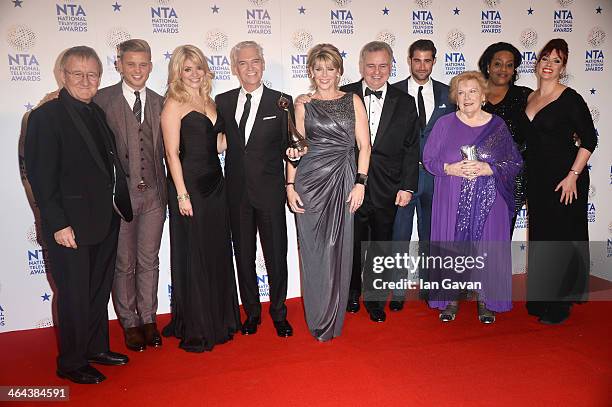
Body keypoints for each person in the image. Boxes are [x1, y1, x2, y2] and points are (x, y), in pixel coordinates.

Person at [25, 46, 133, 384]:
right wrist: (57, 224)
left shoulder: (96, 112)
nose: (86, 80)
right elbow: (40, 176)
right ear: (62, 75)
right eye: (78, 74)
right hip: (69, 226)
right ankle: (71, 362)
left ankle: (96, 347)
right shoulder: (46, 116)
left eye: (92, 74)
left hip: (104, 219)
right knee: (73, 294)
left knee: (98, 290)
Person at [422, 71, 522, 324]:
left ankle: (485, 300)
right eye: (462, 92)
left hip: (490, 199)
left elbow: (514, 162)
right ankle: (450, 299)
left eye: (473, 91)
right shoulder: (444, 124)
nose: (467, 97)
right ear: (455, 97)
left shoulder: (497, 125)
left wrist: (490, 168)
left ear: (483, 96)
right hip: (451, 195)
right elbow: (429, 160)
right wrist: (450, 168)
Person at [286, 43, 370, 341]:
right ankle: (318, 316)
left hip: (344, 179)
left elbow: (365, 147)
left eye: (330, 68)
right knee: (314, 251)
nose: (324, 75)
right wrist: (290, 185)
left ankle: (333, 317)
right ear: (310, 71)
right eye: (318, 69)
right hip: (310, 182)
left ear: (339, 71)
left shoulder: (353, 101)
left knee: (339, 247)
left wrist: (360, 182)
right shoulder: (302, 104)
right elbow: (298, 147)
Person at [161, 45, 240, 352]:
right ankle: (198, 324)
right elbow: (171, 153)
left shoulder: (209, 100)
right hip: (190, 186)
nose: (194, 74)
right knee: (195, 252)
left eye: (198, 68)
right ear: (178, 73)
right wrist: (181, 194)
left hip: (215, 184)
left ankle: (220, 317)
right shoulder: (174, 103)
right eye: (187, 69)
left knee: (216, 250)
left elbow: (217, 144)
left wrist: (243, 136)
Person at [215, 41, 293, 337]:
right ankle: (252, 313)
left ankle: (279, 313)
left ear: (263, 63)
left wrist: (291, 183)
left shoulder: (281, 101)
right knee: (243, 256)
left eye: (255, 61)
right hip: (235, 193)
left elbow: (292, 149)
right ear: (235, 68)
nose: (250, 67)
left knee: (276, 255)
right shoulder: (222, 101)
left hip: (271, 192)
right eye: (243, 63)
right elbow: (207, 135)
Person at [94, 39, 166, 352]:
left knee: (149, 260)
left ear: (150, 66)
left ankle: (149, 318)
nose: (137, 70)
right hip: (117, 198)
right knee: (124, 263)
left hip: (154, 195)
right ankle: (129, 321)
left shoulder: (161, 102)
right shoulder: (100, 100)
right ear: (119, 64)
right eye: (131, 63)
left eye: (143, 64)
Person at [340, 41, 419, 321]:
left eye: (383, 65)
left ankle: (374, 300)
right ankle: (350, 294)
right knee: (350, 244)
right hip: (350, 186)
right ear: (361, 66)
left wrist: (408, 186)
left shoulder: (406, 102)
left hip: (389, 188)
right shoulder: (343, 96)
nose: (376, 71)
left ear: (391, 66)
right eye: (370, 65)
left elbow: (412, 148)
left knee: (381, 246)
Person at [523, 39, 596, 324]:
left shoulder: (570, 98)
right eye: (545, 58)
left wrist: (573, 176)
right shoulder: (530, 98)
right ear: (537, 62)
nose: (549, 65)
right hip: (538, 180)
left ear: (563, 67)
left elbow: (589, 139)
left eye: (556, 60)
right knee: (542, 238)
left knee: (562, 238)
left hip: (567, 179)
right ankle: (542, 296)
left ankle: (560, 304)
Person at [391, 39, 455, 307]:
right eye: (417, 60)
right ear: (409, 60)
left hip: (436, 178)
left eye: (427, 60)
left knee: (433, 235)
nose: (421, 65)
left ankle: (432, 289)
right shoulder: (393, 92)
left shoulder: (448, 94)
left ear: (434, 61)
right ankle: (396, 292)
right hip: (402, 178)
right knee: (399, 236)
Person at [478, 42, 533, 233]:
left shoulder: (526, 96)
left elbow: (545, 124)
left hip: (512, 177)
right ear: (488, 66)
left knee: (502, 233)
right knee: (475, 235)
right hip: (477, 176)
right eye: (498, 64)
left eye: (509, 65)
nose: (503, 69)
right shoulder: (473, 94)